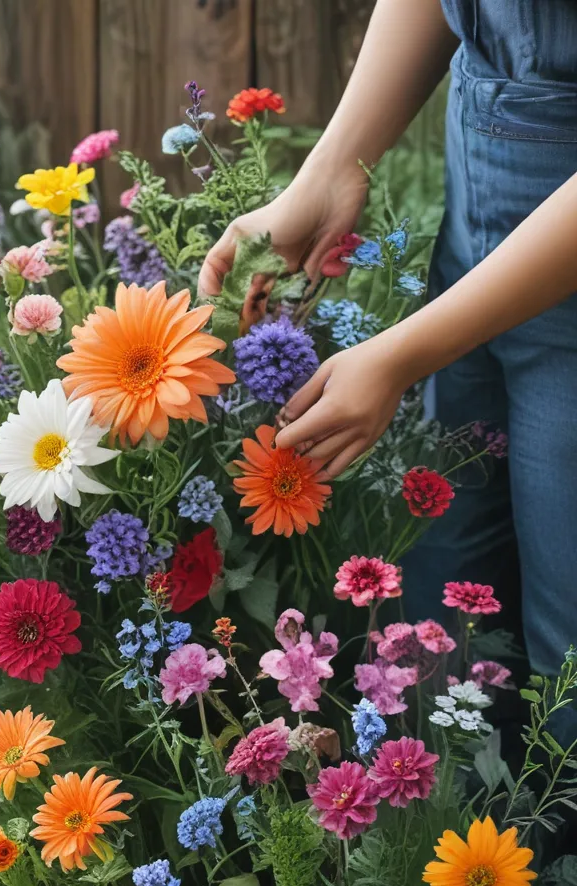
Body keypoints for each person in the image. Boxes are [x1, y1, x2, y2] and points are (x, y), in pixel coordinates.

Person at [199, 0, 577, 701]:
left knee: (569, 666)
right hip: (475, 219)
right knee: (443, 634)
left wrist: (402, 354)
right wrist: (334, 167)